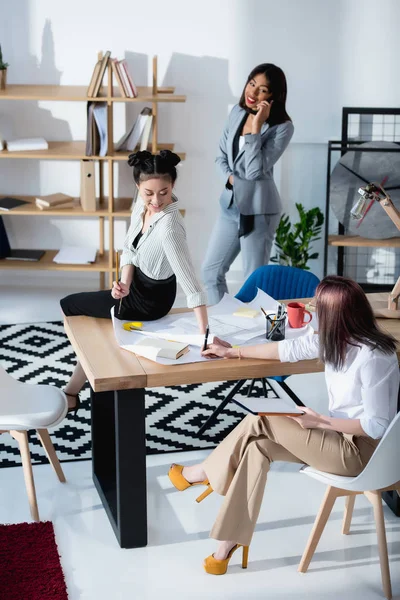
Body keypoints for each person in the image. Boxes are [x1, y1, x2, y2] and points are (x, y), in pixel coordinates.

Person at [168, 275, 399, 574]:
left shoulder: (373, 357)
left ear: (337, 316)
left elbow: (377, 426)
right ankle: (227, 545)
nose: (312, 313)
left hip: (364, 454)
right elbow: (283, 351)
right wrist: (232, 351)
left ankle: (202, 473)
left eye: (318, 309)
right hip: (337, 437)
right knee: (257, 448)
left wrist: (321, 421)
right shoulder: (332, 339)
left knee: (260, 420)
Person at [60, 150, 208, 414]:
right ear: (138, 186)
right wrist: (124, 283)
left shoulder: (170, 228)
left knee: (69, 304)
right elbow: (129, 249)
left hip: (151, 300)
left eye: (164, 192)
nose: (156, 200)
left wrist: (205, 334)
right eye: (148, 192)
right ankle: (75, 390)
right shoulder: (141, 206)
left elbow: (190, 282)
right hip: (134, 287)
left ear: (172, 185)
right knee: (96, 326)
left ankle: (78, 389)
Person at [202, 63, 294, 306]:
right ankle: (223, 326)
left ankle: (255, 336)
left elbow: (254, 171)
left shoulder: (282, 128)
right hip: (230, 205)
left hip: (258, 210)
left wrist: (255, 127)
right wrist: (231, 178)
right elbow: (220, 157)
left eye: (262, 90)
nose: (253, 92)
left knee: (254, 280)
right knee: (210, 273)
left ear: (273, 96)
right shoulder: (236, 112)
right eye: (252, 83)